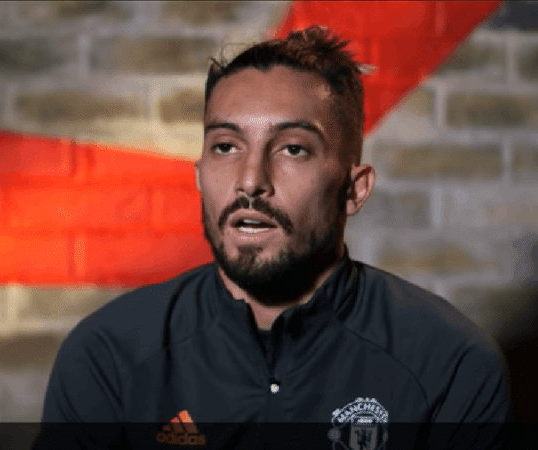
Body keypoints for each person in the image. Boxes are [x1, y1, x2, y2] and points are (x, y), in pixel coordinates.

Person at [37, 25, 512, 449]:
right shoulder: (109, 354)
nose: (250, 181)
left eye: (292, 149)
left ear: (354, 189)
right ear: (200, 175)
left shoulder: (449, 363)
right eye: (226, 146)